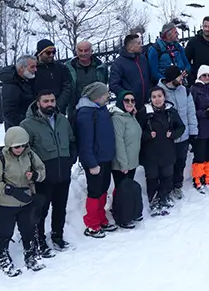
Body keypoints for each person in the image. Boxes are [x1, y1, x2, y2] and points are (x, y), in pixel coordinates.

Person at [0, 126, 47, 276]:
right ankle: (3, 259)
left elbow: (42, 170)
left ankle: (31, 255)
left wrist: (34, 176)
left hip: (26, 200)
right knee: (4, 233)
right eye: (16, 146)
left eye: (23, 145)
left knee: (28, 231)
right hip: (5, 204)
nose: (20, 149)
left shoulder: (30, 155)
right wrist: (8, 189)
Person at [21, 91, 75, 255]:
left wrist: (71, 159)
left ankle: (58, 236)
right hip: (43, 177)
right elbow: (24, 151)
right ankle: (40, 242)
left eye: (52, 100)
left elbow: (72, 140)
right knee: (40, 211)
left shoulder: (62, 120)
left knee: (60, 208)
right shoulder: (27, 125)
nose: (50, 104)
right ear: (38, 103)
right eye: (46, 101)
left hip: (63, 172)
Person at [74, 81, 117, 238]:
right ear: (96, 96)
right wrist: (91, 163)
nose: (107, 96)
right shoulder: (86, 113)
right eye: (105, 94)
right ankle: (92, 223)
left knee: (103, 188)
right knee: (94, 190)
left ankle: (101, 217)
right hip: (95, 160)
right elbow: (85, 141)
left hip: (105, 157)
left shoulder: (101, 109)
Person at [138, 86, 181, 215]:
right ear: (150, 99)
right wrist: (147, 135)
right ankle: (154, 199)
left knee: (167, 175)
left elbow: (181, 127)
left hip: (167, 151)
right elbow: (136, 131)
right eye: (154, 97)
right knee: (152, 176)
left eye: (159, 96)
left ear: (164, 97)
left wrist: (173, 134)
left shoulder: (171, 111)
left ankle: (165, 197)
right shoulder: (144, 112)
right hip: (150, 153)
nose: (157, 99)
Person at [159, 65, 198, 199]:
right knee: (169, 165)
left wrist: (193, 131)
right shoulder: (160, 92)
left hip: (184, 135)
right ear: (171, 78)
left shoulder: (185, 91)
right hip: (169, 137)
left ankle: (177, 186)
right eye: (179, 76)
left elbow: (191, 112)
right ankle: (167, 188)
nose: (182, 79)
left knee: (181, 162)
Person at [109, 91, 143, 229]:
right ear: (120, 102)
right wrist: (123, 164)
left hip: (132, 161)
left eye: (132, 100)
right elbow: (119, 142)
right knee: (122, 191)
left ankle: (131, 212)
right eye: (126, 100)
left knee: (128, 190)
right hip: (122, 163)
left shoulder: (130, 116)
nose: (130, 103)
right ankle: (122, 216)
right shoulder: (117, 118)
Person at [65, 41, 108, 119]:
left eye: (86, 50)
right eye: (80, 50)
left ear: (91, 51)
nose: (83, 53)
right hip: (76, 111)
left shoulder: (101, 67)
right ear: (76, 52)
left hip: (97, 109)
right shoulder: (68, 68)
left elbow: (104, 83)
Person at [108, 33, 149, 106]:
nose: (141, 46)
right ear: (130, 47)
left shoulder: (143, 59)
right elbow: (113, 85)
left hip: (146, 103)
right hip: (129, 105)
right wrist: (126, 95)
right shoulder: (118, 63)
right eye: (139, 43)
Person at [184, 16, 209, 87]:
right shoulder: (193, 42)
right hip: (198, 81)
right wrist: (191, 77)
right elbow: (186, 61)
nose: (207, 29)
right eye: (205, 26)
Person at [146, 22, 190, 87]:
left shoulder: (178, 46)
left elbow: (187, 64)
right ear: (168, 35)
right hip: (165, 87)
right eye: (175, 32)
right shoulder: (155, 50)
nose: (178, 34)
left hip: (181, 83)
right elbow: (154, 73)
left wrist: (186, 71)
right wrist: (168, 81)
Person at [33, 39, 71, 114]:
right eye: (48, 53)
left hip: (59, 109)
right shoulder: (33, 68)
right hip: (39, 109)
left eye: (53, 52)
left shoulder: (61, 68)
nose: (51, 55)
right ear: (40, 53)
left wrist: (59, 105)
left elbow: (67, 87)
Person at [1, 54, 37, 129]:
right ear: (21, 68)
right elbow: (9, 113)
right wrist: (29, 123)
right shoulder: (11, 86)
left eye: (35, 66)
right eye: (32, 67)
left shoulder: (27, 79)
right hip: (20, 129)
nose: (35, 69)